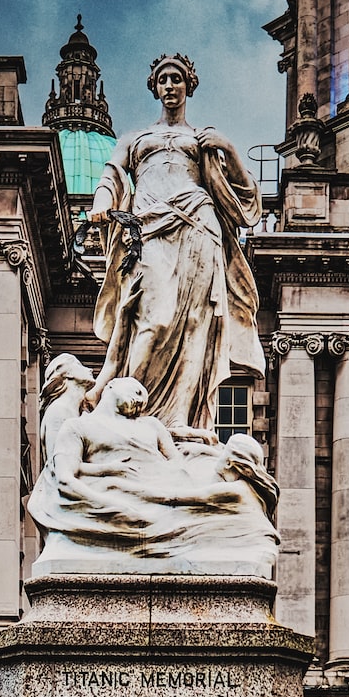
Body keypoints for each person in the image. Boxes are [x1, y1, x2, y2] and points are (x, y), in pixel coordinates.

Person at [82, 54, 264, 434]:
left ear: (188, 86)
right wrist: (102, 202)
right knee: (155, 318)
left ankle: (179, 417)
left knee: (195, 324)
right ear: (154, 87)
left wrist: (228, 148)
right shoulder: (136, 139)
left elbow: (247, 196)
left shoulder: (201, 141)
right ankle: (130, 412)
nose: (169, 86)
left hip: (198, 227)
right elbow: (113, 174)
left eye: (176, 79)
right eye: (163, 79)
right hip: (149, 230)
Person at [27, 378, 278, 570]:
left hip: (169, 487)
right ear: (112, 385)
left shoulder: (150, 425)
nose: (140, 401)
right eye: (137, 392)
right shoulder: (79, 426)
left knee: (243, 492)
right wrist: (110, 492)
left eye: (144, 400)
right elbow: (65, 477)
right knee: (237, 498)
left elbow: (178, 464)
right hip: (126, 493)